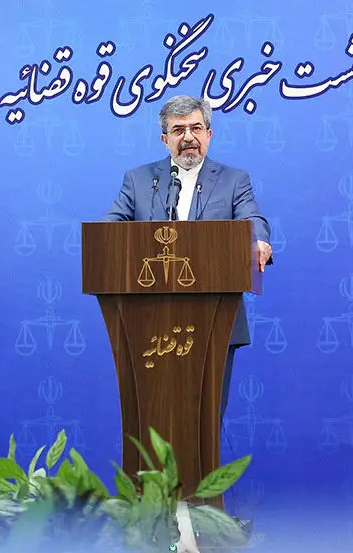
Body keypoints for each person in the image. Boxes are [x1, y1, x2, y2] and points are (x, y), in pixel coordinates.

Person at [102, 95, 273, 419]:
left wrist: (258, 242)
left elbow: (252, 219)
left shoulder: (234, 180)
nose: (188, 137)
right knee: (153, 418)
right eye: (178, 130)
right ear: (164, 139)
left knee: (205, 419)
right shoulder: (139, 180)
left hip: (216, 319)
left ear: (209, 134)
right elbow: (111, 228)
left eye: (196, 128)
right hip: (148, 320)